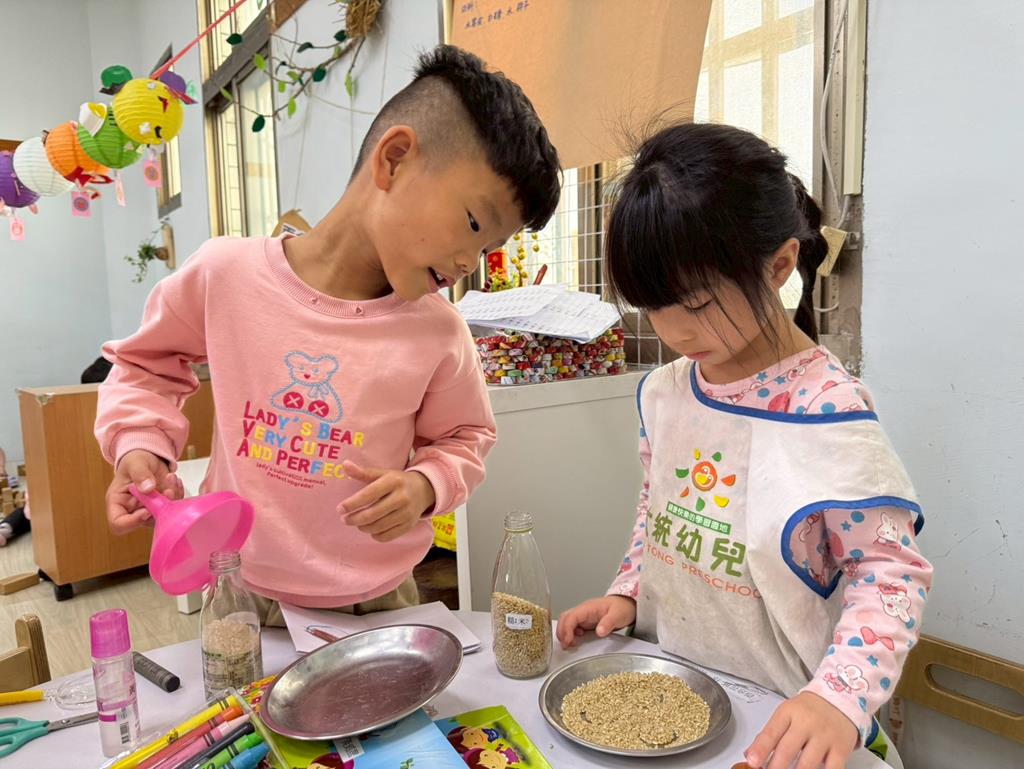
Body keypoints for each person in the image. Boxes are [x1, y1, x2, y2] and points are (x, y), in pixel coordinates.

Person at [95, 45, 561, 624]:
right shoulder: (225, 274)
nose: (471, 260)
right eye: (472, 224)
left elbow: (465, 436)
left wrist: (425, 486)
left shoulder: (440, 332)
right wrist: (140, 444)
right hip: (240, 586)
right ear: (394, 160)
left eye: (488, 247)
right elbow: (146, 365)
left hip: (378, 600)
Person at [557, 122, 932, 769]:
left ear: (779, 266)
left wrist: (839, 698)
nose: (674, 333)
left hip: (784, 720)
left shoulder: (826, 411)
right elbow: (660, 512)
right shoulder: (668, 392)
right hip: (674, 693)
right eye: (654, 307)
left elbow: (889, 573)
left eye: (699, 304)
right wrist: (629, 593)